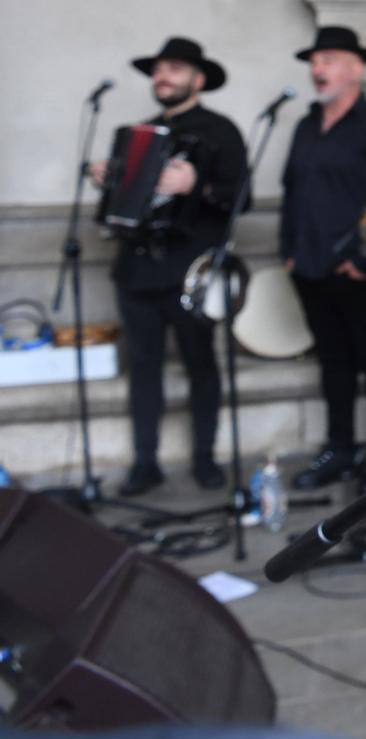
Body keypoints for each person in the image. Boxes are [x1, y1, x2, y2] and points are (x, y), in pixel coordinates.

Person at [91, 37, 247, 497]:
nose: (163, 76)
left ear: (198, 79)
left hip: (190, 270)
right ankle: (146, 462)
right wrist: (108, 179)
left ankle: (205, 457)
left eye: (175, 68)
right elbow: (122, 206)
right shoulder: (138, 133)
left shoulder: (222, 132)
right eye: (159, 69)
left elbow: (240, 199)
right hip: (137, 270)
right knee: (144, 367)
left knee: (201, 363)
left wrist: (195, 182)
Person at [280, 26, 366, 489]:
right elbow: (291, 192)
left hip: (360, 272)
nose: (318, 69)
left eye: (329, 59)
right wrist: (290, 254)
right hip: (311, 268)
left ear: (357, 67)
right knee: (332, 363)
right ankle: (339, 447)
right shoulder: (304, 126)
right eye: (315, 60)